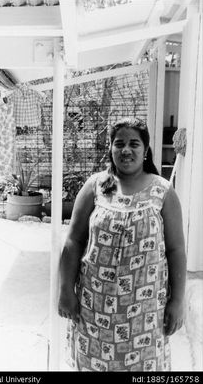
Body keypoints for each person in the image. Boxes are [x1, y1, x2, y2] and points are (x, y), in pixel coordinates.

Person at [58, 117, 187, 372]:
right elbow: (73, 242)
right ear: (110, 149)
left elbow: (176, 251)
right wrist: (65, 291)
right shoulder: (94, 187)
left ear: (145, 150)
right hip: (94, 307)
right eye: (119, 144)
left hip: (145, 313)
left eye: (134, 144)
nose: (126, 150)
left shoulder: (163, 192)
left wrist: (177, 301)